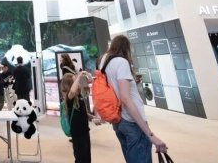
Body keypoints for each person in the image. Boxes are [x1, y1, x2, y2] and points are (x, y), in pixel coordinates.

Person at [100, 35, 167, 163]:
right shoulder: (122, 62)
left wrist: (131, 83)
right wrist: (150, 134)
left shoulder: (104, 61)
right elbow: (125, 99)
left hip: (118, 121)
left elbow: (115, 87)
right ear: (126, 47)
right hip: (131, 121)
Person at [61, 72, 91, 163]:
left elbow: (81, 112)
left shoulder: (79, 96)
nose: (77, 84)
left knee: (87, 156)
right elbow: (72, 91)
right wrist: (79, 76)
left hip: (84, 130)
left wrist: (91, 117)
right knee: (81, 157)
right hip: (77, 132)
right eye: (75, 82)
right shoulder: (69, 97)